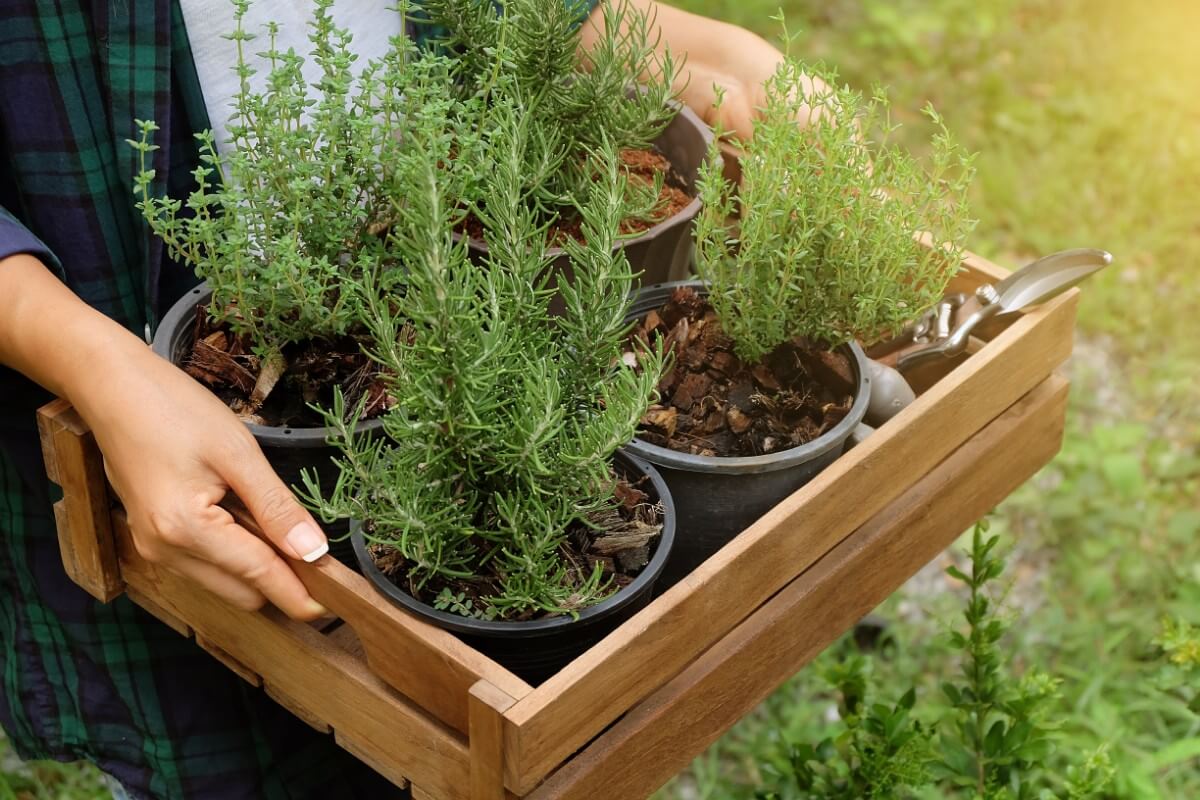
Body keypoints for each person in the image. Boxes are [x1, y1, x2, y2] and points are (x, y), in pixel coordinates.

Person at [0, 1, 823, 797]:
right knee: (228, 737)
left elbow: (534, 19)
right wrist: (98, 364)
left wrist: (704, 56)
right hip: (147, 391)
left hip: (436, 269)